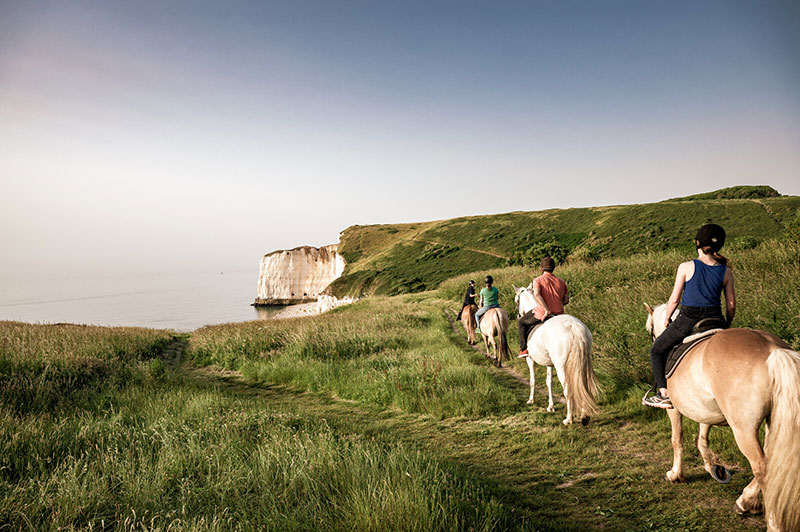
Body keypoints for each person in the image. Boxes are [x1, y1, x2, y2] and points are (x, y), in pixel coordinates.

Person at [643, 224, 736, 408]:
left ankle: (663, 393)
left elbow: (674, 300)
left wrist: (667, 317)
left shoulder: (686, 266)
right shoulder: (726, 271)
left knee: (656, 350)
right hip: (715, 319)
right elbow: (731, 305)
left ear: (697, 243)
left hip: (689, 319)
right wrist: (727, 324)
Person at [517, 257, 569, 358]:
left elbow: (536, 294)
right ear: (553, 268)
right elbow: (566, 300)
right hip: (559, 314)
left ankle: (523, 349)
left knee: (521, 322)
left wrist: (547, 310)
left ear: (541, 269)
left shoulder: (538, 280)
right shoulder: (562, 282)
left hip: (542, 312)